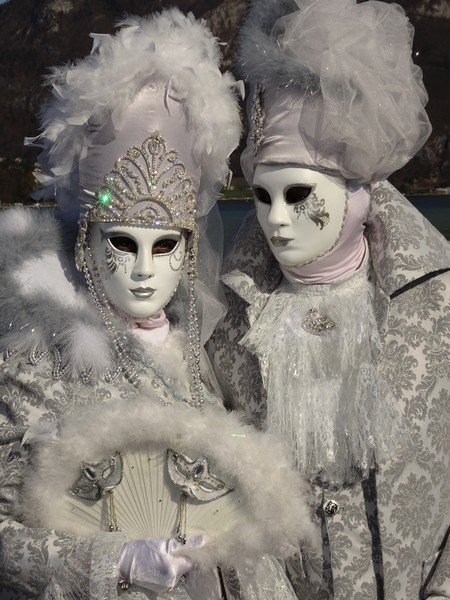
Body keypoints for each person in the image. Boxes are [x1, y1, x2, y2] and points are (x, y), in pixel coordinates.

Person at [0, 9, 313, 599]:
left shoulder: (200, 356)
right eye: (123, 243)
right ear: (87, 240)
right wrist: (117, 561)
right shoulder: (35, 363)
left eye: (165, 245)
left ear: (190, 249)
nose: (146, 269)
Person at [210, 0, 450, 598]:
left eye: (299, 193)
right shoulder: (224, 321)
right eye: (263, 197)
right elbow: (220, 491)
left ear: (360, 191)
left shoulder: (441, 306)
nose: (276, 221)